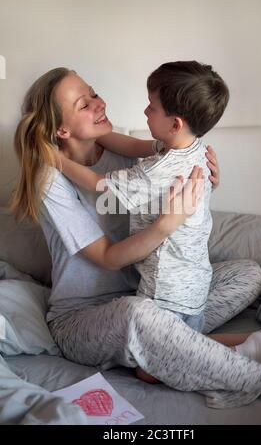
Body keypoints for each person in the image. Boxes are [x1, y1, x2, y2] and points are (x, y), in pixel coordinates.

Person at [10, 67, 261, 409]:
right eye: (83, 104)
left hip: (150, 292)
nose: (98, 103)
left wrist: (203, 172)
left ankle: (235, 344)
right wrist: (165, 225)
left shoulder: (122, 151)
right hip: (84, 319)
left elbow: (172, 149)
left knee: (248, 274)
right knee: (140, 314)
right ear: (61, 128)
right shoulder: (50, 181)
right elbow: (107, 257)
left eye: (94, 92)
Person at [54, 61, 228, 335]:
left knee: (148, 371)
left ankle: (244, 347)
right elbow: (133, 144)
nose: (145, 110)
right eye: (84, 104)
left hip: (164, 288)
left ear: (175, 124)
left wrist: (55, 159)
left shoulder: (152, 171)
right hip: (196, 285)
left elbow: (100, 184)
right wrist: (96, 134)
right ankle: (250, 344)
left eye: (152, 107)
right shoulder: (196, 150)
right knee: (183, 344)